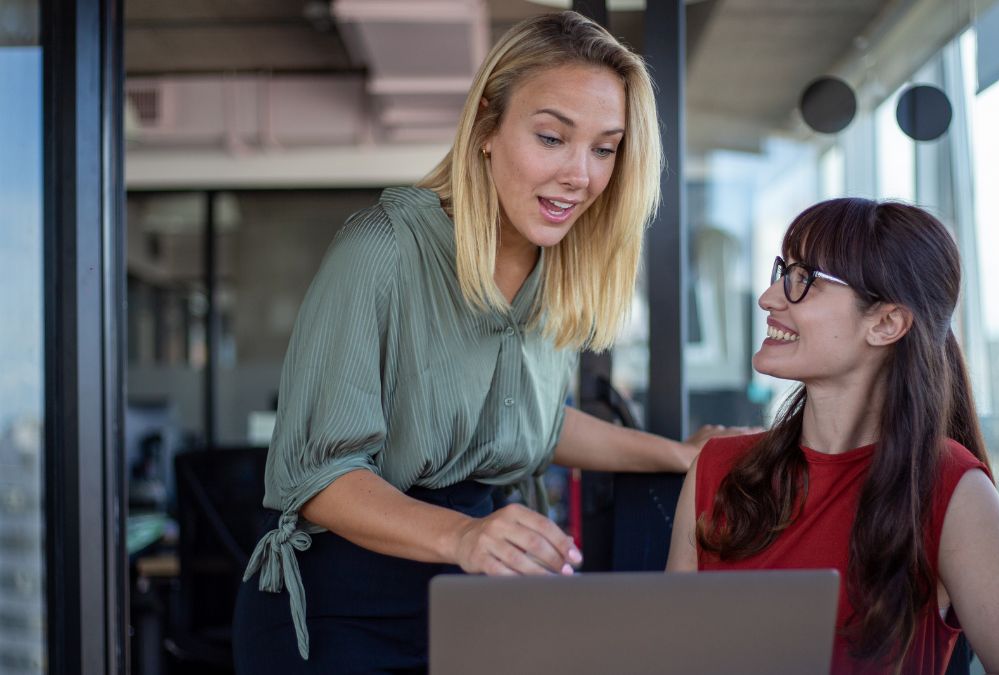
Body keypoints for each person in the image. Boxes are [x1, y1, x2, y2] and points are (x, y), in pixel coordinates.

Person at [232, 11, 747, 673]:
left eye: (605, 147)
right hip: (341, 605)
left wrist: (676, 453)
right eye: (552, 137)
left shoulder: (552, 265)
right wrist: (465, 535)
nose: (581, 174)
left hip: (469, 596)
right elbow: (320, 477)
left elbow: (528, 420)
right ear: (486, 131)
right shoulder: (383, 251)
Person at [666, 199, 999, 675]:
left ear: (885, 323)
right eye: (782, 272)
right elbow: (672, 658)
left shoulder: (948, 488)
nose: (770, 297)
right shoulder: (717, 469)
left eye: (803, 280)